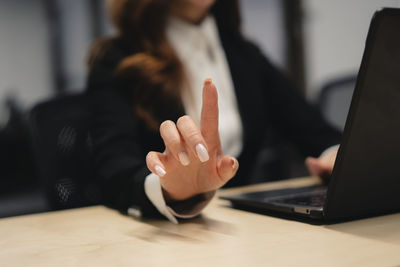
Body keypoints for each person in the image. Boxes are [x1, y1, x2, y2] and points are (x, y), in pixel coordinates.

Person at [86, 0, 341, 223]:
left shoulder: (243, 53)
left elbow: (314, 131)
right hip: (163, 238)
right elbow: (113, 171)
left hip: (245, 228)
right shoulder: (117, 59)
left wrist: (334, 155)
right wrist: (168, 189)